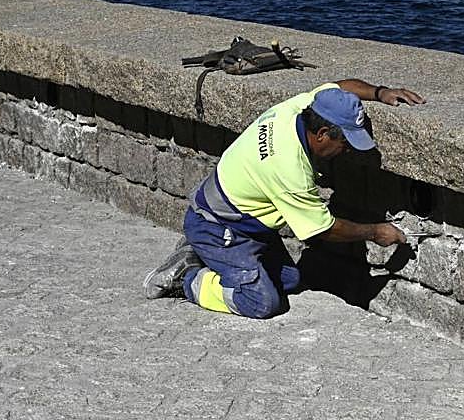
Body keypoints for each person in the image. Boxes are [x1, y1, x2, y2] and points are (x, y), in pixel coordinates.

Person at [143, 79, 425, 317]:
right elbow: (321, 229)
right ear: (322, 134)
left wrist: (379, 92)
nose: (348, 151)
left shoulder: (302, 107)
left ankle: (200, 253)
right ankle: (187, 278)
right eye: (345, 143)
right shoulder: (289, 167)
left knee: (290, 280)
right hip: (218, 225)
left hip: (241, 221)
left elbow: (339, 88)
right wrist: (376, 232)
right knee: (261, 301)